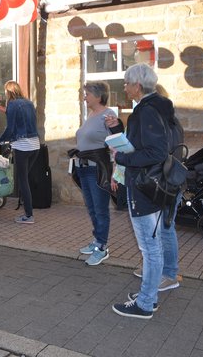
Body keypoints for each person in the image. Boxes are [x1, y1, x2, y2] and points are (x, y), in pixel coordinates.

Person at [111, 63, 174, 319]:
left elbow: (155, 152)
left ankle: (146, 303)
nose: (125, 88)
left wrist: (122, 158)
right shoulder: (158, 107)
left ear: (138, 85)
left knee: (150, 248)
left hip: (143, 185)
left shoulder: (145, 111)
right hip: (153, 184)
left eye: (127, 83)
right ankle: (149, 295)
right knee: (153, 246)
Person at [129, 83, 181, 292]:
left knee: (165, 229)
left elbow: (156, 152)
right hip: (168, 180)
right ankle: (157, 270)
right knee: (160, 229)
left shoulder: (159, 120)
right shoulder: (170, 120)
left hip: (163, 181)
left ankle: (169, 274)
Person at [72, 81, 123, 266]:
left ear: (98, 96)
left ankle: (102, 247)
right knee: (92, 208)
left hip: (98, 169)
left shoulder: (108, 115)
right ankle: (97, 240)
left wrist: (116, 173)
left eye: (87, 94)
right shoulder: (91, 115)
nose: (84, 97)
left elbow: (118, 141)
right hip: (83, 168)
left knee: (100, 209)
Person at [0, 80, 40, 224]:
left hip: (22, 147)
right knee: (25, 180)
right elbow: (19, 117)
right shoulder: (28, 103)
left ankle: (28, 215)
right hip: (35, 145)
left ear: (8, 92)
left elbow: (10, 129)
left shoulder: (12, 104)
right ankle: (27, 209)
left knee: (23, 181)